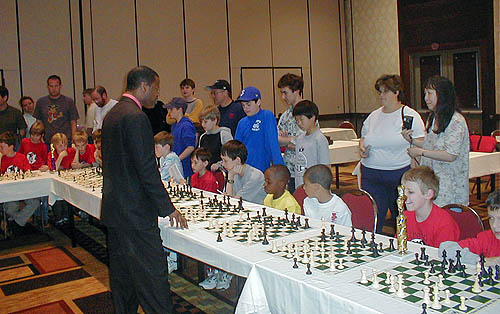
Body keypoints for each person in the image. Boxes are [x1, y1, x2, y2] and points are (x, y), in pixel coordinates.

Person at [101, 65, 187, 314]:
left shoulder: (113, 114)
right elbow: (146, 169)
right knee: (153, 277)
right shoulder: (136, 117)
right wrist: (168, 208)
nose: (157, 94)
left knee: (123, 279)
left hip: (115, 209)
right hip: (136, 214)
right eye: (157, 88)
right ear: (144, 86)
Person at [359, 74, 425, 233]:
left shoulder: (409, 115)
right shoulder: (373, 116)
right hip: (371, 174)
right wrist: (362, 149)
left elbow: (422, 144)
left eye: (385, 92)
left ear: (396, 92)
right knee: (374, 216)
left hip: (398, 174)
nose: (381, 96)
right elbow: (363, 138)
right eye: (380, 92)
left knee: (401, 216)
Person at [403, 75, 470, 207]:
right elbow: (432, 145)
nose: (426, 98)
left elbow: (450, 155)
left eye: (429, 93)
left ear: (442, 94)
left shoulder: (456, 120)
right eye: (425, 93)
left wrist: (420, 152)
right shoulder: (433, 118)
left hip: (451, 188)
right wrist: (412, 141)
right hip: (432, 184)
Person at [402, 166, 459, 248]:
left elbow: (443, 256)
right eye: (403, 191)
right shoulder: (405, 216)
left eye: (410, 192)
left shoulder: (444, 223)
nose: (404, 196)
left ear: (428, 194)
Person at [440, 189, 500, 267]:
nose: (494, 225)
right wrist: (480, 260)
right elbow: (446, 248)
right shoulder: (487, 238)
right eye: (491, 218)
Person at [234, 86, 284, 173]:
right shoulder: (241, 123)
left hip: (263, 170)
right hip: (244, 171)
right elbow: (235, 149)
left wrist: (280, 168)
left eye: (248, 104)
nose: (245, 108)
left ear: (258, 102)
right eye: (243, 105)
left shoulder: (267, 116)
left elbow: (273, 144)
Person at [277, 73, 311, 193]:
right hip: (289, 170)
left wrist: (287, 141)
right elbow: (277, 140)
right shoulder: (285, 116)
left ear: (296, 91)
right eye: (281, 93)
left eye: (285, 92)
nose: (282, 97)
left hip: (306, 170)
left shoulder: (309, 111)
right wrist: (292, 140)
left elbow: (307, 141)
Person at [0, 131, 39, 234]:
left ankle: (16, 223)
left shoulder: (21, 158)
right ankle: (19, 223)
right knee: (11, 207)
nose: (0, 149)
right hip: (8, 192)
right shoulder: (2, 159)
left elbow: (28, 173)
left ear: (11, 147)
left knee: (35, 202)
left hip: (22, 190)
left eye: (2, 147)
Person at [293, 100, 330, 187]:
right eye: (296, 120)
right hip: (300, 183)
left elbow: (325, 166)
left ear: (312, 118)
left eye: (301, 119)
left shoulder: (319, 139)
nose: (299, 123)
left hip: (315, 185)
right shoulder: (299, 139)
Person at [34, 75, 79, 145]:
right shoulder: (41, 102)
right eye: (51, 86)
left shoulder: (69, 101)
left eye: (56, 86)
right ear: (47, 87)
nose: (53, 89)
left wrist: (74, 138)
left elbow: (73, 122)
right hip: (48, 140)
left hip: (65, 140)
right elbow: (39, 122)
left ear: (60, 86)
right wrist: (39, 136)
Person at [221, 140, 266, 205]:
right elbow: (229, 197)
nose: (222, 164)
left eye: (225, 160)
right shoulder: (234, 172)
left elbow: (233, 202)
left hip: (255, 211)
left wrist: (230, 176)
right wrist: (231, 175)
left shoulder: (255, 177)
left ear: (237, 160)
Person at [165, 97, 196, 178]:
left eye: (171, 109)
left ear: (180, 109)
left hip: (184, 167)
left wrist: (177, 160)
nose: (169, 112)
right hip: (176, 166)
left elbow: (190, 147)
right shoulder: (174, 125)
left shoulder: (186, 125)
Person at [198, 105, 233, 170]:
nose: (202, 124)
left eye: (205, 122)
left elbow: (231, 156)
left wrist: (219, 165)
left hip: (220, 172)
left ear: (215, 120)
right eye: (201, 122)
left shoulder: (224, 134)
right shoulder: (202, 137)